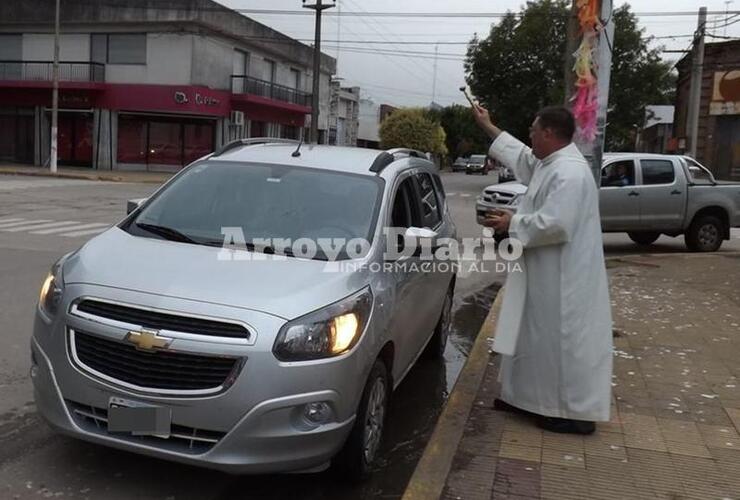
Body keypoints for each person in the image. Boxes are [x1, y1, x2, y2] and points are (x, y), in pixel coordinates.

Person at [472, 104, 613, 435]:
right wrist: (487, 125)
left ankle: (572, 412)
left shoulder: (570, 173)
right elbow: (521, 156)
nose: (530, 135)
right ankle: (526, 399)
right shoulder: (551, 163)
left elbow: (557, 224)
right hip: (542, 272)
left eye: (534, 130)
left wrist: (513, 222)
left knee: (559, 343)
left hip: (563, 278)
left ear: (549, 133)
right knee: (530, 337)